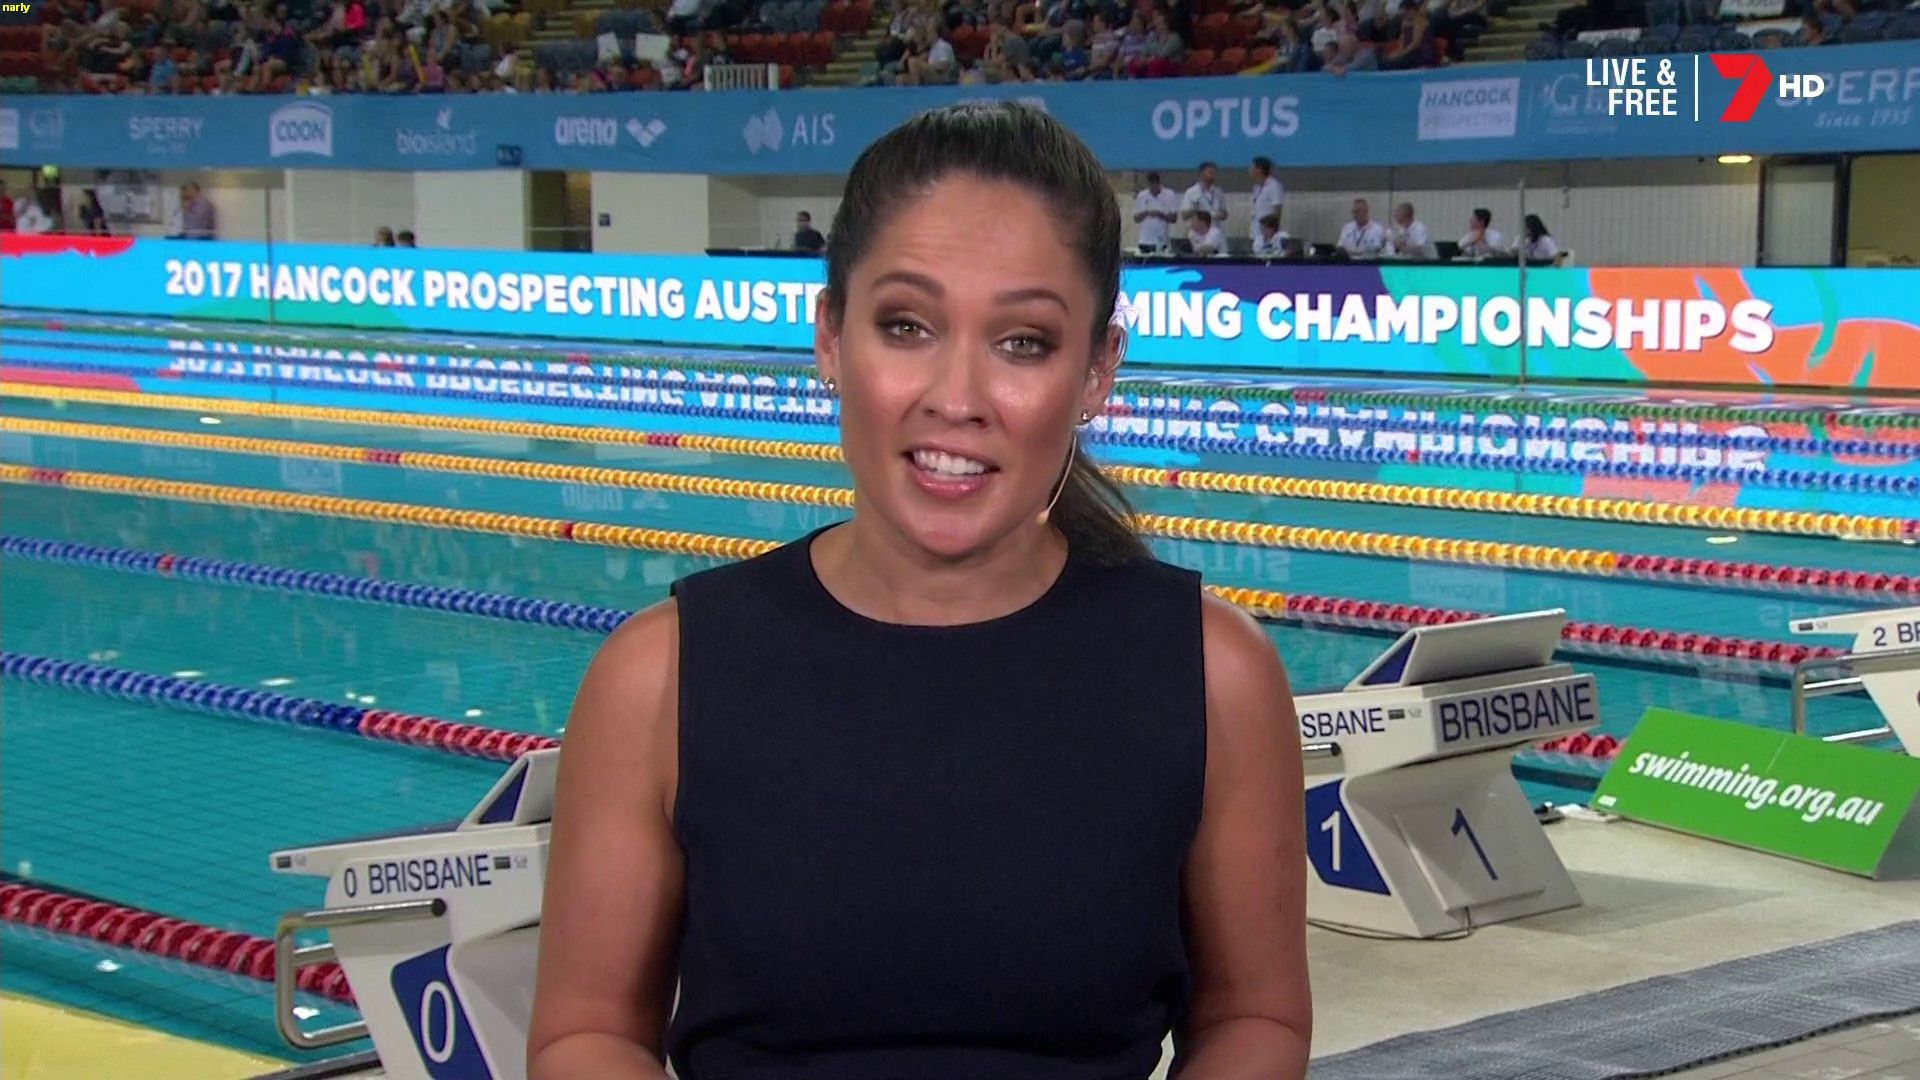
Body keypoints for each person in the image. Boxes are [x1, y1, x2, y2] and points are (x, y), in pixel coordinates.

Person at [528, 100, 1312, 1080]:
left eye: (1023, 342)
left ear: (1097, 371)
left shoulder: (1213, 675)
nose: (957, 397)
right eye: (906, 326)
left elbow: (1253, 1018)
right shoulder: (659, 675)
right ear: (829, 337)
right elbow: (587, 1034)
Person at [1132, 169, 1179, 252]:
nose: (1152, 188)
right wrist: (1146, 213)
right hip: (1144, 241)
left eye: (1154, 185)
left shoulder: (1169, 194)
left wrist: (1160, 214)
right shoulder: (1142, 195)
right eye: (1150, 185)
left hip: (1162, 241)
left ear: (1158, 183)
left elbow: (1174, 219)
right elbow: (1136, 219)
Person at [1180, 159, 1227, 239]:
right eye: (1210, 173)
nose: (1213, 176)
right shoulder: (1191, 192)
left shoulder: (1218, 192)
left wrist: (1220, 215)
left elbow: (1224, 213)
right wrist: (1196, 209)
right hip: (1198, 234)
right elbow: (1184, 215)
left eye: (1214, 173)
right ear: (1202, 174)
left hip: (1216, 233)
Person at [1248, 155, 1283, 243]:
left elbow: (1277, 210)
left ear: (1259, 170)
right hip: (1255, 231)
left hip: (1268, 233)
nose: (1249, 170)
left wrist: (1271, 230)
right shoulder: (1256, 187)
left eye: (1252, 168)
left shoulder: (1274, 186)